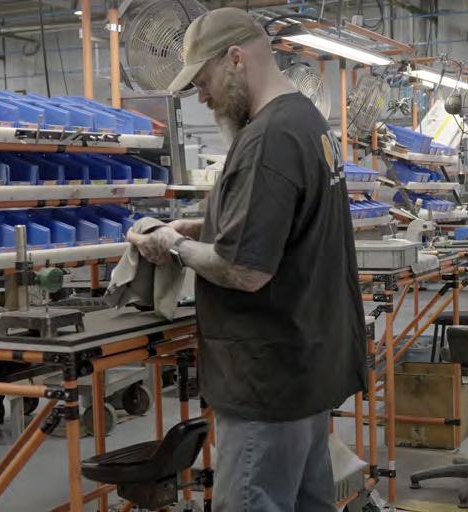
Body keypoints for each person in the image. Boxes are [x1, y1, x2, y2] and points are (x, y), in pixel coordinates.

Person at [127, 7, 367, 512]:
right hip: (306, 369)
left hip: (268, 383)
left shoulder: (268, 139)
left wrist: (172, 245)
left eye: (203, 81)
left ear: (235, 59)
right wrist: (204, 228)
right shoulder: (306, 121)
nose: (202, 96)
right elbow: (285, 226)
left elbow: (245, 270)